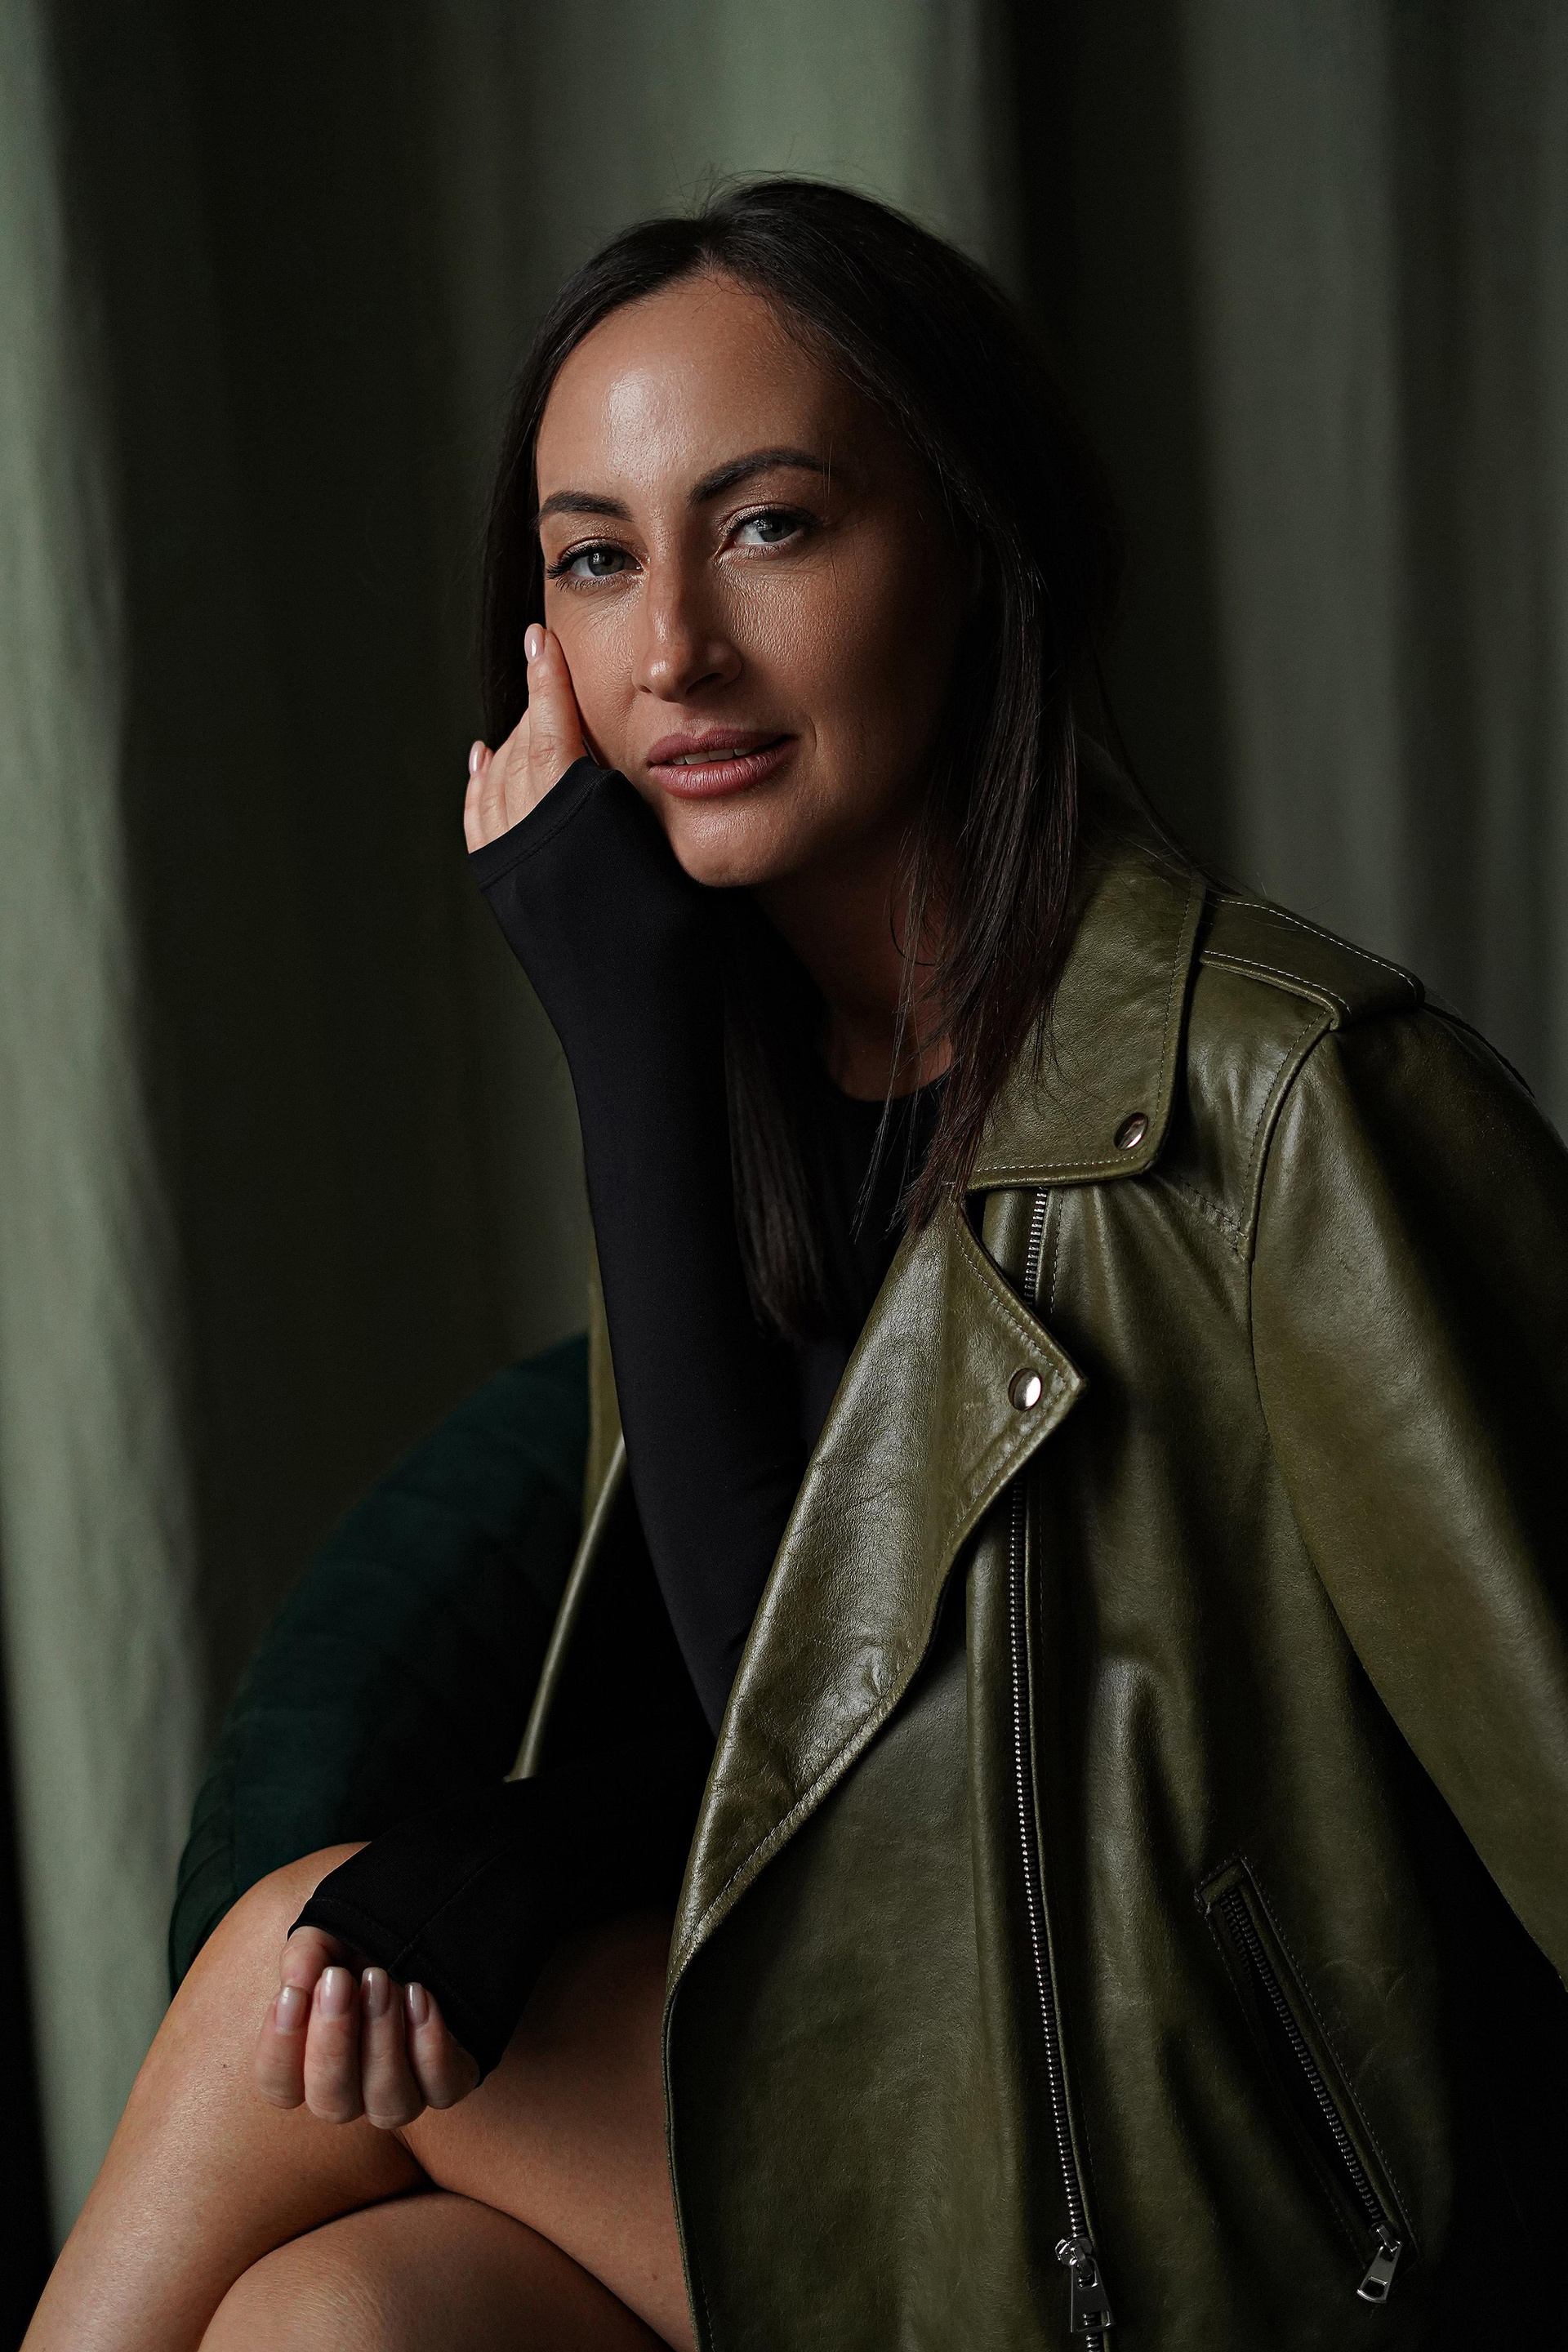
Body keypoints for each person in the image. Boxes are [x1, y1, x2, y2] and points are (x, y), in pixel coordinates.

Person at [24, 180, 1568, 2352]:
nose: (671, 650)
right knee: (342, 2322)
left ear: (980, 553)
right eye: (593, 558)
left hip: (1192, 2251)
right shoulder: (747, 1080)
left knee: (265, 1980)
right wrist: (534, 1857)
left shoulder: (1297, 1105)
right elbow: (787, 1727)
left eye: (766, 527)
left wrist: (627, 1058)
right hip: (932, 2135)